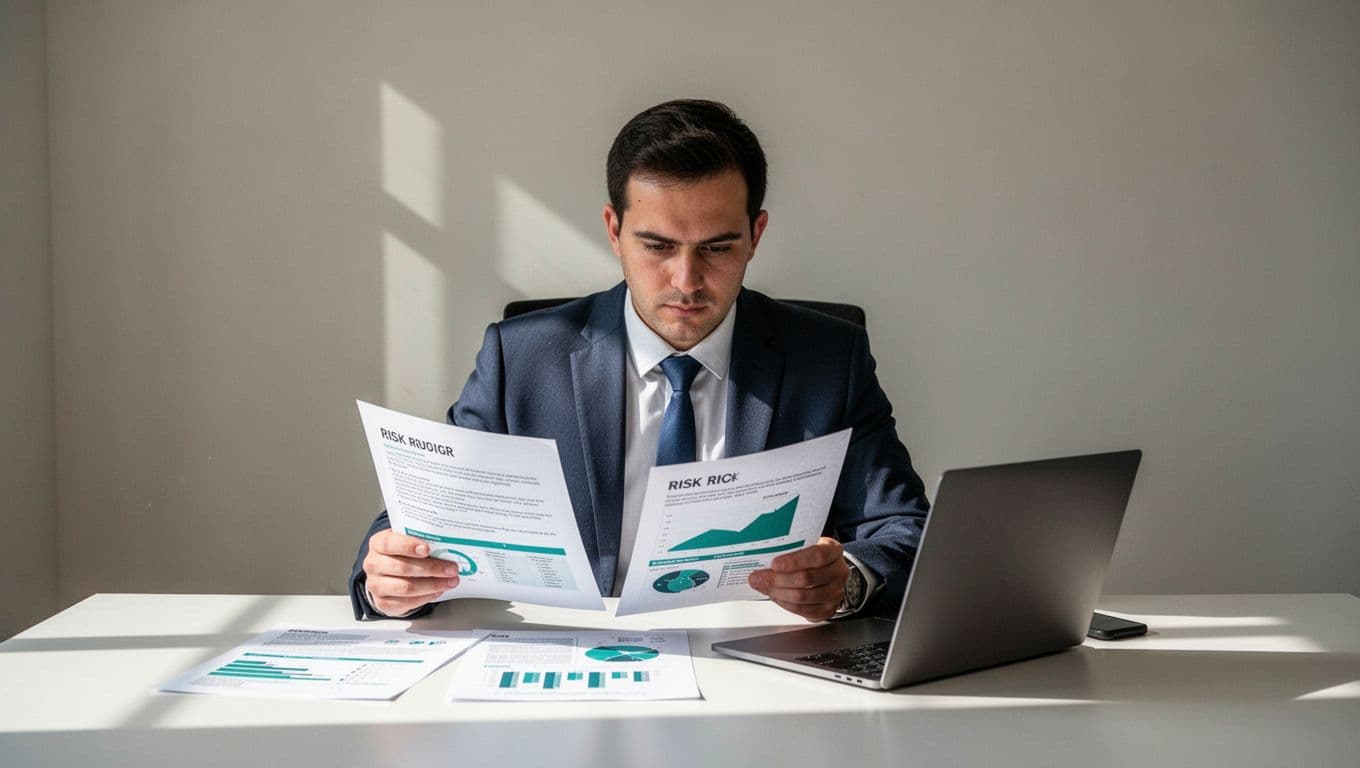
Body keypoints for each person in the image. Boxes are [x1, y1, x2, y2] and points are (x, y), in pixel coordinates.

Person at [350, 99, 929, 623]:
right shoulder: (521, 359)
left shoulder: (829, 360)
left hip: (759, 660)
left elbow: (906, 531)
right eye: (657, 246)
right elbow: (418, 525)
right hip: (576, 663)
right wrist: (393, 581)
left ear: (755, 235)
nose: (686, 281)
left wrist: (850, 580)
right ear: (614, 230)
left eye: (717, 247)